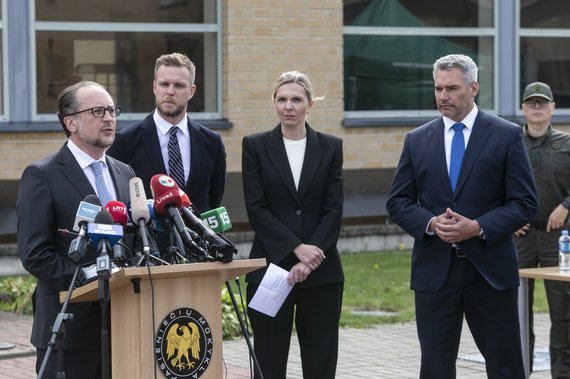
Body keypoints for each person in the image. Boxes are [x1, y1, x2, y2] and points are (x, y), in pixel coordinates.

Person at [386, 54, 538, 378]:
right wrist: (429, 223)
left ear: (473, 88)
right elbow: (398, 201)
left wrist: (478, 227)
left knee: (506, 366)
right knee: (436, 369)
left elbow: (525, 203)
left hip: (490, 272)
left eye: (452, 88)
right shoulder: (417, 140)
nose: (443, 96)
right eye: (438, 88)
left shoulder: (505, 135)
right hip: (435, 274)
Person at [17, 81, 135, 378]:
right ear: (70, 122)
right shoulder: (42, 175)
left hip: (125, 325)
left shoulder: (125, 173)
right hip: (68, 331)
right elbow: (35, 255)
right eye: (98, 111)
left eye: (112, 110)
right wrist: (90, 279)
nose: (109, 118)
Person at [242, 71, 344, 379]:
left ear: (310, 104)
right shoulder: (255, 146)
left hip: (322, 274)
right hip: (271, 271)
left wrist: (310, 260)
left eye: (297, 99)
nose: (289, 106)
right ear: (274, 103)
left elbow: (334, 209)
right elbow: (256, 209)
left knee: (320, 362)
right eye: (282, 99)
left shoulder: (330, 146)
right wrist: (296, 249)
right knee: (268, 362)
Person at [107, 52, 226, 214]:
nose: (170, 91)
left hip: (198, 238)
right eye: (164, 84)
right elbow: (118, 199)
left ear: (191, 91)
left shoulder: (212, 142)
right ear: (155, 87)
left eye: (179, 85)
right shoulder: (125, 141)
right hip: (149, 238)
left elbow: (214, 199)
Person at [514, 81, 570, 378]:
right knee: (516, 311)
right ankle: (519, 369)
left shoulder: (567, 142)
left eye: (542, 103)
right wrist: (510, 215)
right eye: (531, 102)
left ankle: (562, 372)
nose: (537, 107)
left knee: (563, 310)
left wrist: (566, 205)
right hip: (519, 237)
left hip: (558, 239)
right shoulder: (509, 142)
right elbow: (493, 185)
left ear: (552, 108)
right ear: (523, 108)